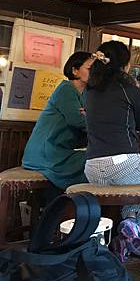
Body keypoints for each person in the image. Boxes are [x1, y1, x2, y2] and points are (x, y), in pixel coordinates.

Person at [84, 41, 140, 262]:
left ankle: (126, 233)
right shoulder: (128, 89)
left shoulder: (89, 90)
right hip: (121, 163)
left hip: (91, 168)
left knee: (136, 185)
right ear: (125, 65)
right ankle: (133, 227)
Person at [22, 52, 93, 194]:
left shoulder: (85, 94)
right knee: (94, 161)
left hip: (59, 150)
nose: (95, 72)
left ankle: (72, 204)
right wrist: (93, 119)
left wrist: (89, 116)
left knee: (94, 159)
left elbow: (85, 119)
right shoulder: (66, 89)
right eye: (90, 68)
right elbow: (78, 120)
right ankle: (69, 205)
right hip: (45, 153)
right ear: (75, 71)